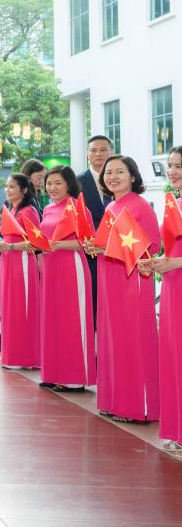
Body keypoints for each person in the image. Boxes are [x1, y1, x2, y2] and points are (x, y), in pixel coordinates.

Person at [88, 156, 160, 422]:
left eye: (120, 171)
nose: (113, 176)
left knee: (134, 340)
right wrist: (95, 248)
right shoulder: (112, 207)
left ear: (133, 176)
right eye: (109, 172)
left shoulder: (140, 206)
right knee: (111, 339)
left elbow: (153, 246)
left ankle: (138, 407)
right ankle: (114, 401)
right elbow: (107, 244)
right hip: (110, 279)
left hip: (133, 281)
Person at [37, 166, 95, 391]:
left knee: (72, 319)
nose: (52, 188)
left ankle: (74, 376)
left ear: (69, 184)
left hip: (72, 267)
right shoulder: (49, 208)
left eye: (58, 183)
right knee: (52, 320)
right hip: (50, 268)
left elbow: (89, 242)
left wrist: (59, 244)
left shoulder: (77, 207)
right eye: (49, 183)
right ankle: (53, 372)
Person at [143, 146, 182, 450]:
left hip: (176, 276)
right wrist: (149, 260)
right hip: (172, 286)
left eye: (179, 166)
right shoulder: (174, 204)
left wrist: (175, 263)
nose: (173, 171)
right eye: (170, 165)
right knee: (173, 354)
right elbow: (160, 247)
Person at [0, 173, 42, 370]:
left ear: (24, 190)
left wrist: (9, 247)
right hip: (8, 261)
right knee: (10, 308)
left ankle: (26, 356)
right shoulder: (11, 211)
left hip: (22, 262)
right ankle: (12, 355)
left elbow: (35, 242)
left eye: (12, 187)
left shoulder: (29, 211)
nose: (7, 190)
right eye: (6, 186)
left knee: (23, 308)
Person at [78, 136, 114, 321]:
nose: (98, 154)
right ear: (87, 154)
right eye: (93, 150)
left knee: (113, 311)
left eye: (103, 149)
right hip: (88, 257)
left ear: (111, 152)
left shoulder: (120, 180)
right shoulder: (77, 183)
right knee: (90, 310)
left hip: (118, 257)